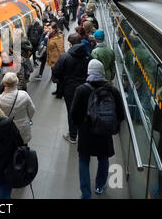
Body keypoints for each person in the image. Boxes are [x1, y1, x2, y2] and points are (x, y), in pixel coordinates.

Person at [70, 59, 125, 199]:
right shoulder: (112, 90)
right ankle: (100, 186)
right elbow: (121, 114)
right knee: (103, 158)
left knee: (83, 160)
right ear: (102, 72)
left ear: (89, 72)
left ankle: (86, 193)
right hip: (104, 132)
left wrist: (80, 126)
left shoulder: (81, 90)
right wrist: (112, 126)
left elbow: (73, 114)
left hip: (86, 132)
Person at [52, 33, 91, 143]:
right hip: (85, 87)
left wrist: (61, 80)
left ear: (70, 43)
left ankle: (73, 135)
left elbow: (55, 72)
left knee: (71, 110)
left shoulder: (65, 56)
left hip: (69, 89)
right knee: (83, 109)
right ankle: (83, 133)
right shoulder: (88, 56)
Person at [0, 72, 36, 144]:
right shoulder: (24, 94)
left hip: (7, 130)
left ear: (4, 83)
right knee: (23, 150)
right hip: (23, 129)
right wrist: (28, 119)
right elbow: (32, 110)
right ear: (16, 82)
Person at [46, 22, 65, 95]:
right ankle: (58, 90)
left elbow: (61, 50)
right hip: (52, 59)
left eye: (49, 28)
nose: (48, 30)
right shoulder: (51, 35)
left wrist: (62, 62)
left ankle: (61, 92)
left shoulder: (58, 37)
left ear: (54, 29)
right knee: (56, 76)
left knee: (58, 77)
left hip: (57, 60)